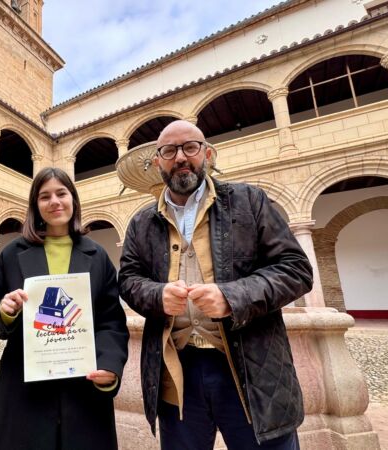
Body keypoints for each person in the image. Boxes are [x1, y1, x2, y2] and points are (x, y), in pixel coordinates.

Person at [118, 120, 313, 449]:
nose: (180, 157)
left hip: (249, 368)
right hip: (176, 372)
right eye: (169, 150)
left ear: (207, 153)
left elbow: (296, 269)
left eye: (190, 147)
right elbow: (128, 278)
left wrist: (232, 297)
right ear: (158, 162)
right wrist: (156, 295)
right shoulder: (141, 221)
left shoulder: (249, 201)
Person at [0, 167, 129, 450]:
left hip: (83, 383)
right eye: (44, 196)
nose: (55, 202)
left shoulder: (97, 256)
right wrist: (5, 310)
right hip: (24, 385)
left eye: (61, 193)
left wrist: (110, 365)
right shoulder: (13, 254)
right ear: (35, 206)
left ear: (73, 199)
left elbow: (111, 320)